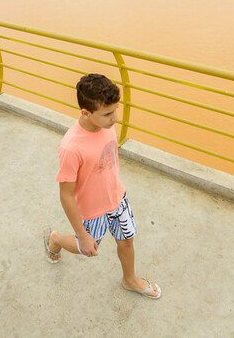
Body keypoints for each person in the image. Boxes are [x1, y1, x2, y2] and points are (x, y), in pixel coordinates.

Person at [44, 73, 162, 300]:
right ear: (86, 113)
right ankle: (56, 239)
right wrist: (81, 234)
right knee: (88, 248)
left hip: (117, 198)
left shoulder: (106, 125)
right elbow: (66, 195)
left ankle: (130, 280)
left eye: (115, 110)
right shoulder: (71, 148)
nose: (115, 118)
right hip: (91, 210)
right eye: (108, 113)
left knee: (127, 239)